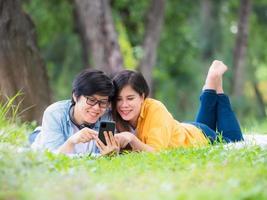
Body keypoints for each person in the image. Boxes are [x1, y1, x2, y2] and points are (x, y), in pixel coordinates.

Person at [112, 60, 244, 152]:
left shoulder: (155, 109)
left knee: (234, 142)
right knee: (201, 128)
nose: (124, 105)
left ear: (142, 96)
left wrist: (131, 139)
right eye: (118, 99)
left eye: (130, 98)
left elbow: (157, 153)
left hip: (199, 136)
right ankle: (210, 87)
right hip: (185, 130)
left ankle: (217, 87)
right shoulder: (114, 115)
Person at [31, 69, 119, 156]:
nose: (97, 108)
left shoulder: (107, 117)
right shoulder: (54, 113)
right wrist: (71, 141)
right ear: (76, 96)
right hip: (40, 141)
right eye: (91, 100)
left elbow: (103, 155)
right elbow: (54, 157)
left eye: (103, 102)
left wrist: (110, 153)